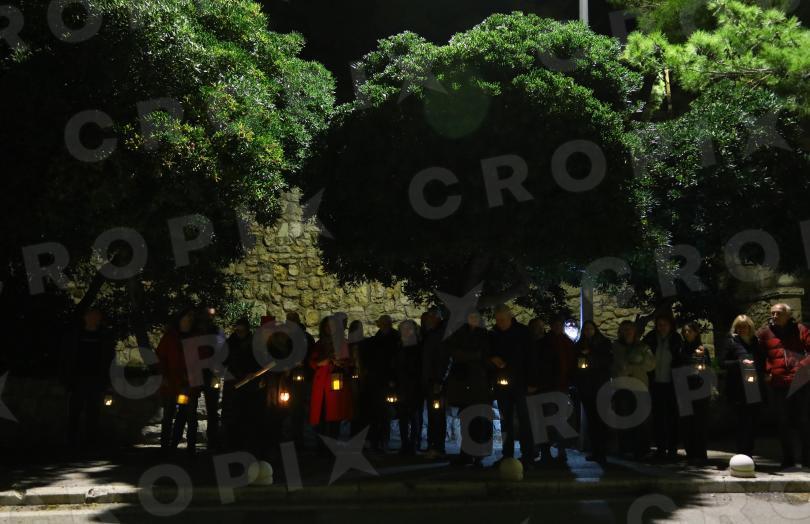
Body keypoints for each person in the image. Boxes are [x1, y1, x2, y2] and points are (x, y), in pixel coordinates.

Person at [757, 303, 810, 469]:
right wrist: (767, 371)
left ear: (788, 314)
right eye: (772, 313)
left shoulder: (800, 329)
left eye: (778, 313)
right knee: (782, 422)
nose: (774, 316)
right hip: (778, 382)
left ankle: (807, 458)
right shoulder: (765, 333)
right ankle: (788, 459)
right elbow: (760, 355)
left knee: (804, 421)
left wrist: (803, 366)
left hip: (800, 381)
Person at [171, 307, 223, 455]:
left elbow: (220, 351)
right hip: (193, 376)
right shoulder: (194, 332)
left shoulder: (213, 332)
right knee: (185, 408)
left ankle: (207, 443)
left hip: (206, 374)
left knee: (209, 409)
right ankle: (180, 443)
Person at [443, 310, 492, 467]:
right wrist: (473, 355)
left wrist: (467, 355)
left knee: (478, 420)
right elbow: (453, 351)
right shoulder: (459, 334)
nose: (472, 320)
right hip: (463, 383)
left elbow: (484, 355)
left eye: (475, 317)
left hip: (478, 384)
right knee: (466, 419)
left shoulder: (484, 335)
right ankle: (466, 454)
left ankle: (478, 455)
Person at [488, 305, 534, 468]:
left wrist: (531, 382)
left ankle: (528, 455)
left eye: (502, 320)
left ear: (510, 317)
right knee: (505, 421)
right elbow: (488, 353)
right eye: (498, 320)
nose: (500, 323)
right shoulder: (494, 334)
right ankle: (507, 455)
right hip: (502, 384)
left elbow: (530, 358)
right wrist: (493, 359)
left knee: (524, 420)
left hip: (520, 383)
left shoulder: (523, 333)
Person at [62, 308, 115, 450]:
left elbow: (109, 359)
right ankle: (72, 441)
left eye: (96, 316)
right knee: (75, 411)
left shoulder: (103, 336)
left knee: (93, 412)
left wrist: (107, 382)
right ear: (85, 317)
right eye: (91, 316)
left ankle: (90, 442)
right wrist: (68, 378)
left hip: (96, 379)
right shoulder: (77, 335)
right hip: (78, 379)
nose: (93, 319)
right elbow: (68, 357)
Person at [722, 315, 765, 456]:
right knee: (742, 422)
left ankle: (749, 452)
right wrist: (740, 363)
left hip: (754, 386)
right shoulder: (731, 342)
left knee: (754, 422)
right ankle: (743, 454)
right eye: (738, 327)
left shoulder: (756, 342)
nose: (741, 329)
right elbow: (723, 363)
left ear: (750, 327)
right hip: (738, 388)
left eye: (744, 326)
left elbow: (762, 361)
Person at [611, 320, 656, 459]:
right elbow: (615, 365)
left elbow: (651, 365)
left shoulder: (643, 347)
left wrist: (634, 365)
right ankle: (626, 449)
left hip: (640, 387)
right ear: (620, 331)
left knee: (642, 419)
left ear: (634, 331)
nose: (627, 332)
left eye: (630, 329)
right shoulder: (615, 347)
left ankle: (642, 449)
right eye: (624, 329)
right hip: (622, 387)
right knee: (624, 418)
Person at [643, 313, 684, 461]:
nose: (662, 327)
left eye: (665, 325)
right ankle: (660, 448)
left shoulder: (676, 339)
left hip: (672, 383)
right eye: (659, 325)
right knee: (658, 417)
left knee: (672, 416)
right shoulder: (651, 338)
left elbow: (679, 358)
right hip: (655, 383)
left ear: (670, 325)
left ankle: (672, 448)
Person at [309, 316, 354, 448]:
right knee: (322, 415)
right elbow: (312, 362)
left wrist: (341, 363)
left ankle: (332, 446)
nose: (330, 328)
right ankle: (321, 445)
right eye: (328, 326)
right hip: (322, 383)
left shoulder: (342, 344)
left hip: (336, 383)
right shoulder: (319, 344)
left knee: (335, 415)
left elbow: (348, 362)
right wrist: (324, 361)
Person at [155, 308, 195, 454]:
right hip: (172, 385)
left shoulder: (194, 338)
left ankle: (183, 447)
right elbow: (161, 358)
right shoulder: (170, 338)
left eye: (189, 321)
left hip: (186, 386)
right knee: (169, 415)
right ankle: (165, 447)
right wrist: (164, 377)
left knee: (185, 414)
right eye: (184, 320)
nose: (187, 323)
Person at [573, 320, 613, 465]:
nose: (588, 331)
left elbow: (607, 361)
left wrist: (590, 356)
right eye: (586, 329)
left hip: (600, 386)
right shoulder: (579, 345)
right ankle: (596, 451)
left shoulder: (604, 344)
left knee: (601, 420)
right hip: (586, 387)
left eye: (590, 329)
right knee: (591, 420)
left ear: (595, 330)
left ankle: (602, 452)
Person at [222, 318, 264, 454]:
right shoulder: (230, 343)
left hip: (250, 385)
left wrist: (254, 374)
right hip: (234, 384)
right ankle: (232, 444)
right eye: (238, 330)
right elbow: (223, 361)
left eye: (242, 330)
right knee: (232, 414)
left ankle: (248, 444)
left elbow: (260, 361)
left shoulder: (254, 344)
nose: (240, 333)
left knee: (249, 413)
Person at [538, 316, 575, 464]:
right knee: (548, 420)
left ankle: (560, 451)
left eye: (560, 325)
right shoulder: (547, 342)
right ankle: (547, 452)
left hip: (561, 386)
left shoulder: (566, 343)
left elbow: (570, 364)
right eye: (556, 325)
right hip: (549, 386)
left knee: (559, 419)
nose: (558, 327)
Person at [361, 315, 399, 452]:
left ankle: (383, 440)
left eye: (385, 323)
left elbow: (394, 360)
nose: (383, 325)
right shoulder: (376, 339)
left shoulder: (394, 338)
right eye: (382, 323)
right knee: (376, 412)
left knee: (384, 413)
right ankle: (376, 440)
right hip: (376, 381)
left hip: (386, 381)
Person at [679, 322, 712, 466]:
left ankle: (700, 454)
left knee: (700, 422)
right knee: (687, 423)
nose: (687, 334)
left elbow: (707, 367)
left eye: (690, 331)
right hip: (684, 387)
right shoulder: (681, 348)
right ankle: (690, 454)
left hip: (700, 388)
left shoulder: (702, 349)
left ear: (696, 333)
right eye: (685, 331)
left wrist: (700, 360)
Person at [421, 309, 448, 459]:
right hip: (431, 381)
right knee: (433, 415)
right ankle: (433, 445)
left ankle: (437, 446)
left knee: (437, 415)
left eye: (430, 318)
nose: (427, 321)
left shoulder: (439, 335)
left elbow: (443, 359)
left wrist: (439, 380)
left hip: (436, 383)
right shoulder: (432, 334)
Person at [286, 311, 315, 449]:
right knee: (291, 409)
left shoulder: (306, 338)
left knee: (301, 409)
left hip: (303, 378)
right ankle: (292, 438)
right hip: (289, 378)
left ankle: (300, 439)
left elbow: (311, 356)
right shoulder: (286, 337)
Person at [394, 319, 423, 455]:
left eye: (409, 328)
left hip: (414, 386)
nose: (406, 331)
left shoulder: (418, 347)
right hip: (402, 385)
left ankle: (413, 444)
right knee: (403, 416)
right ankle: (405, 443)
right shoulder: (399, 346)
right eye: (404, 329)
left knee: (414, 415)